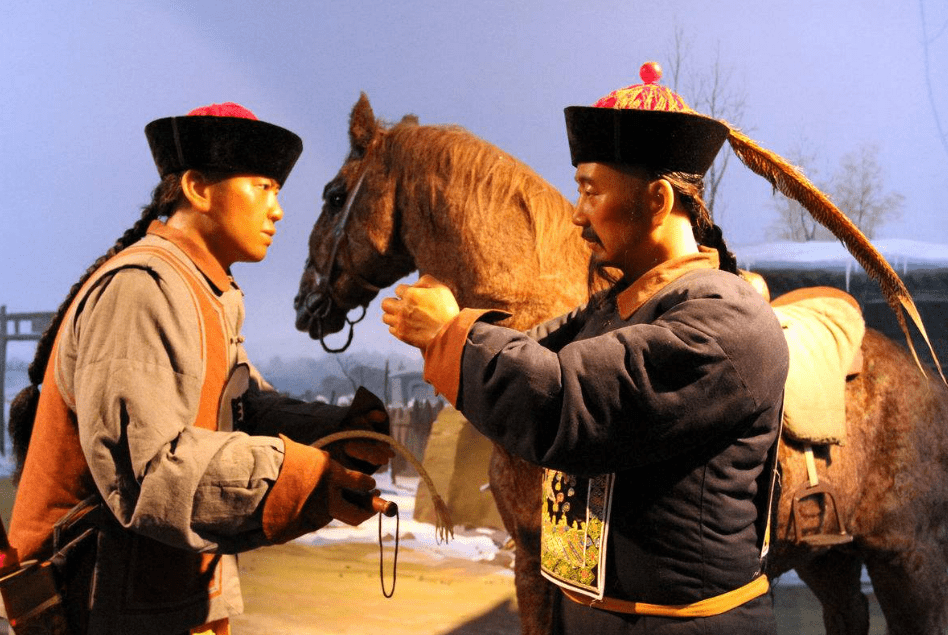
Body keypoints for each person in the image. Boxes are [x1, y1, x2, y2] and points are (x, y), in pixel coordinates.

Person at [381, 63, 790, 633]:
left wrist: (453, 334)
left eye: (590, 190)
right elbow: (530, 356)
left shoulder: (725, 322)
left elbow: (563, 400)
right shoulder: (613, 306)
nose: (577, 214)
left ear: (656, 199)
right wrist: (451, 333)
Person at [6, 102, 393, 635]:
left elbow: (242, 404)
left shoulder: (208, 292)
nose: (277, 210)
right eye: (263, 187)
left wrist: (334, 434)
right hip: (100, 603)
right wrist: (303, 477)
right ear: (197, 187)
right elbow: (147, 472)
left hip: (168, 594)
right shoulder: (140, 289)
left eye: (276, 191)